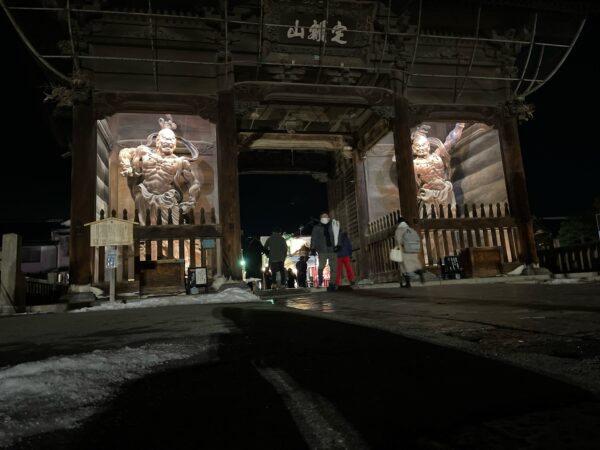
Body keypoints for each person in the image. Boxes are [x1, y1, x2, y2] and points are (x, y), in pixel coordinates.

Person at [119, 115, 201, 225]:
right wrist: (127, 166)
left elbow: (194, 183)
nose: (169, 142)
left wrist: (191, 203)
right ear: (157, 140)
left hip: (168, 198)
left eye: (172, 140)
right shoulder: (144, 151)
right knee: (146, 229)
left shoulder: (180, 161)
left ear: (175, 144)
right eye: (165, 139)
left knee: (172, 230)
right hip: (145, 195)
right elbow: (125, 152)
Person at [412, 122, 464, 217]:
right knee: (430, 218)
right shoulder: (414, 164)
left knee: (449, 216)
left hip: (445, 190)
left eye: (423, 145)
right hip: (428, 194)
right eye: (418, 146)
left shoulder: (437, 154)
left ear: (428, 145)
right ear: (414, 148)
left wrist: (459, 126)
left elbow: (451, 140)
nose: (421, 148)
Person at [310, 211, 340, 291]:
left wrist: (338, 245)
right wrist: (312, 248)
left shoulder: (333, 226)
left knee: (334, 268)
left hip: (333, 250)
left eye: (326, 216)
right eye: (323, 216)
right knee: (321, 267)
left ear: (329, 218)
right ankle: (320, 281)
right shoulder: (316, 227)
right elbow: (314, 238)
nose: (325, 218)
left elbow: (339, 235)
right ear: (320, 219)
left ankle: (332, 284)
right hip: (322, 250)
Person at [394, 217, 424, 288]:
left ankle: (408, 283)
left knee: (404, 267)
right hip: (413, 250)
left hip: (405, 251)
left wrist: (397, 248)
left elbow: (398, 241)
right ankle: (419, 272)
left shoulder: (399, 230)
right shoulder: (410, 229)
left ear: (398, 223)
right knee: (415, 263)